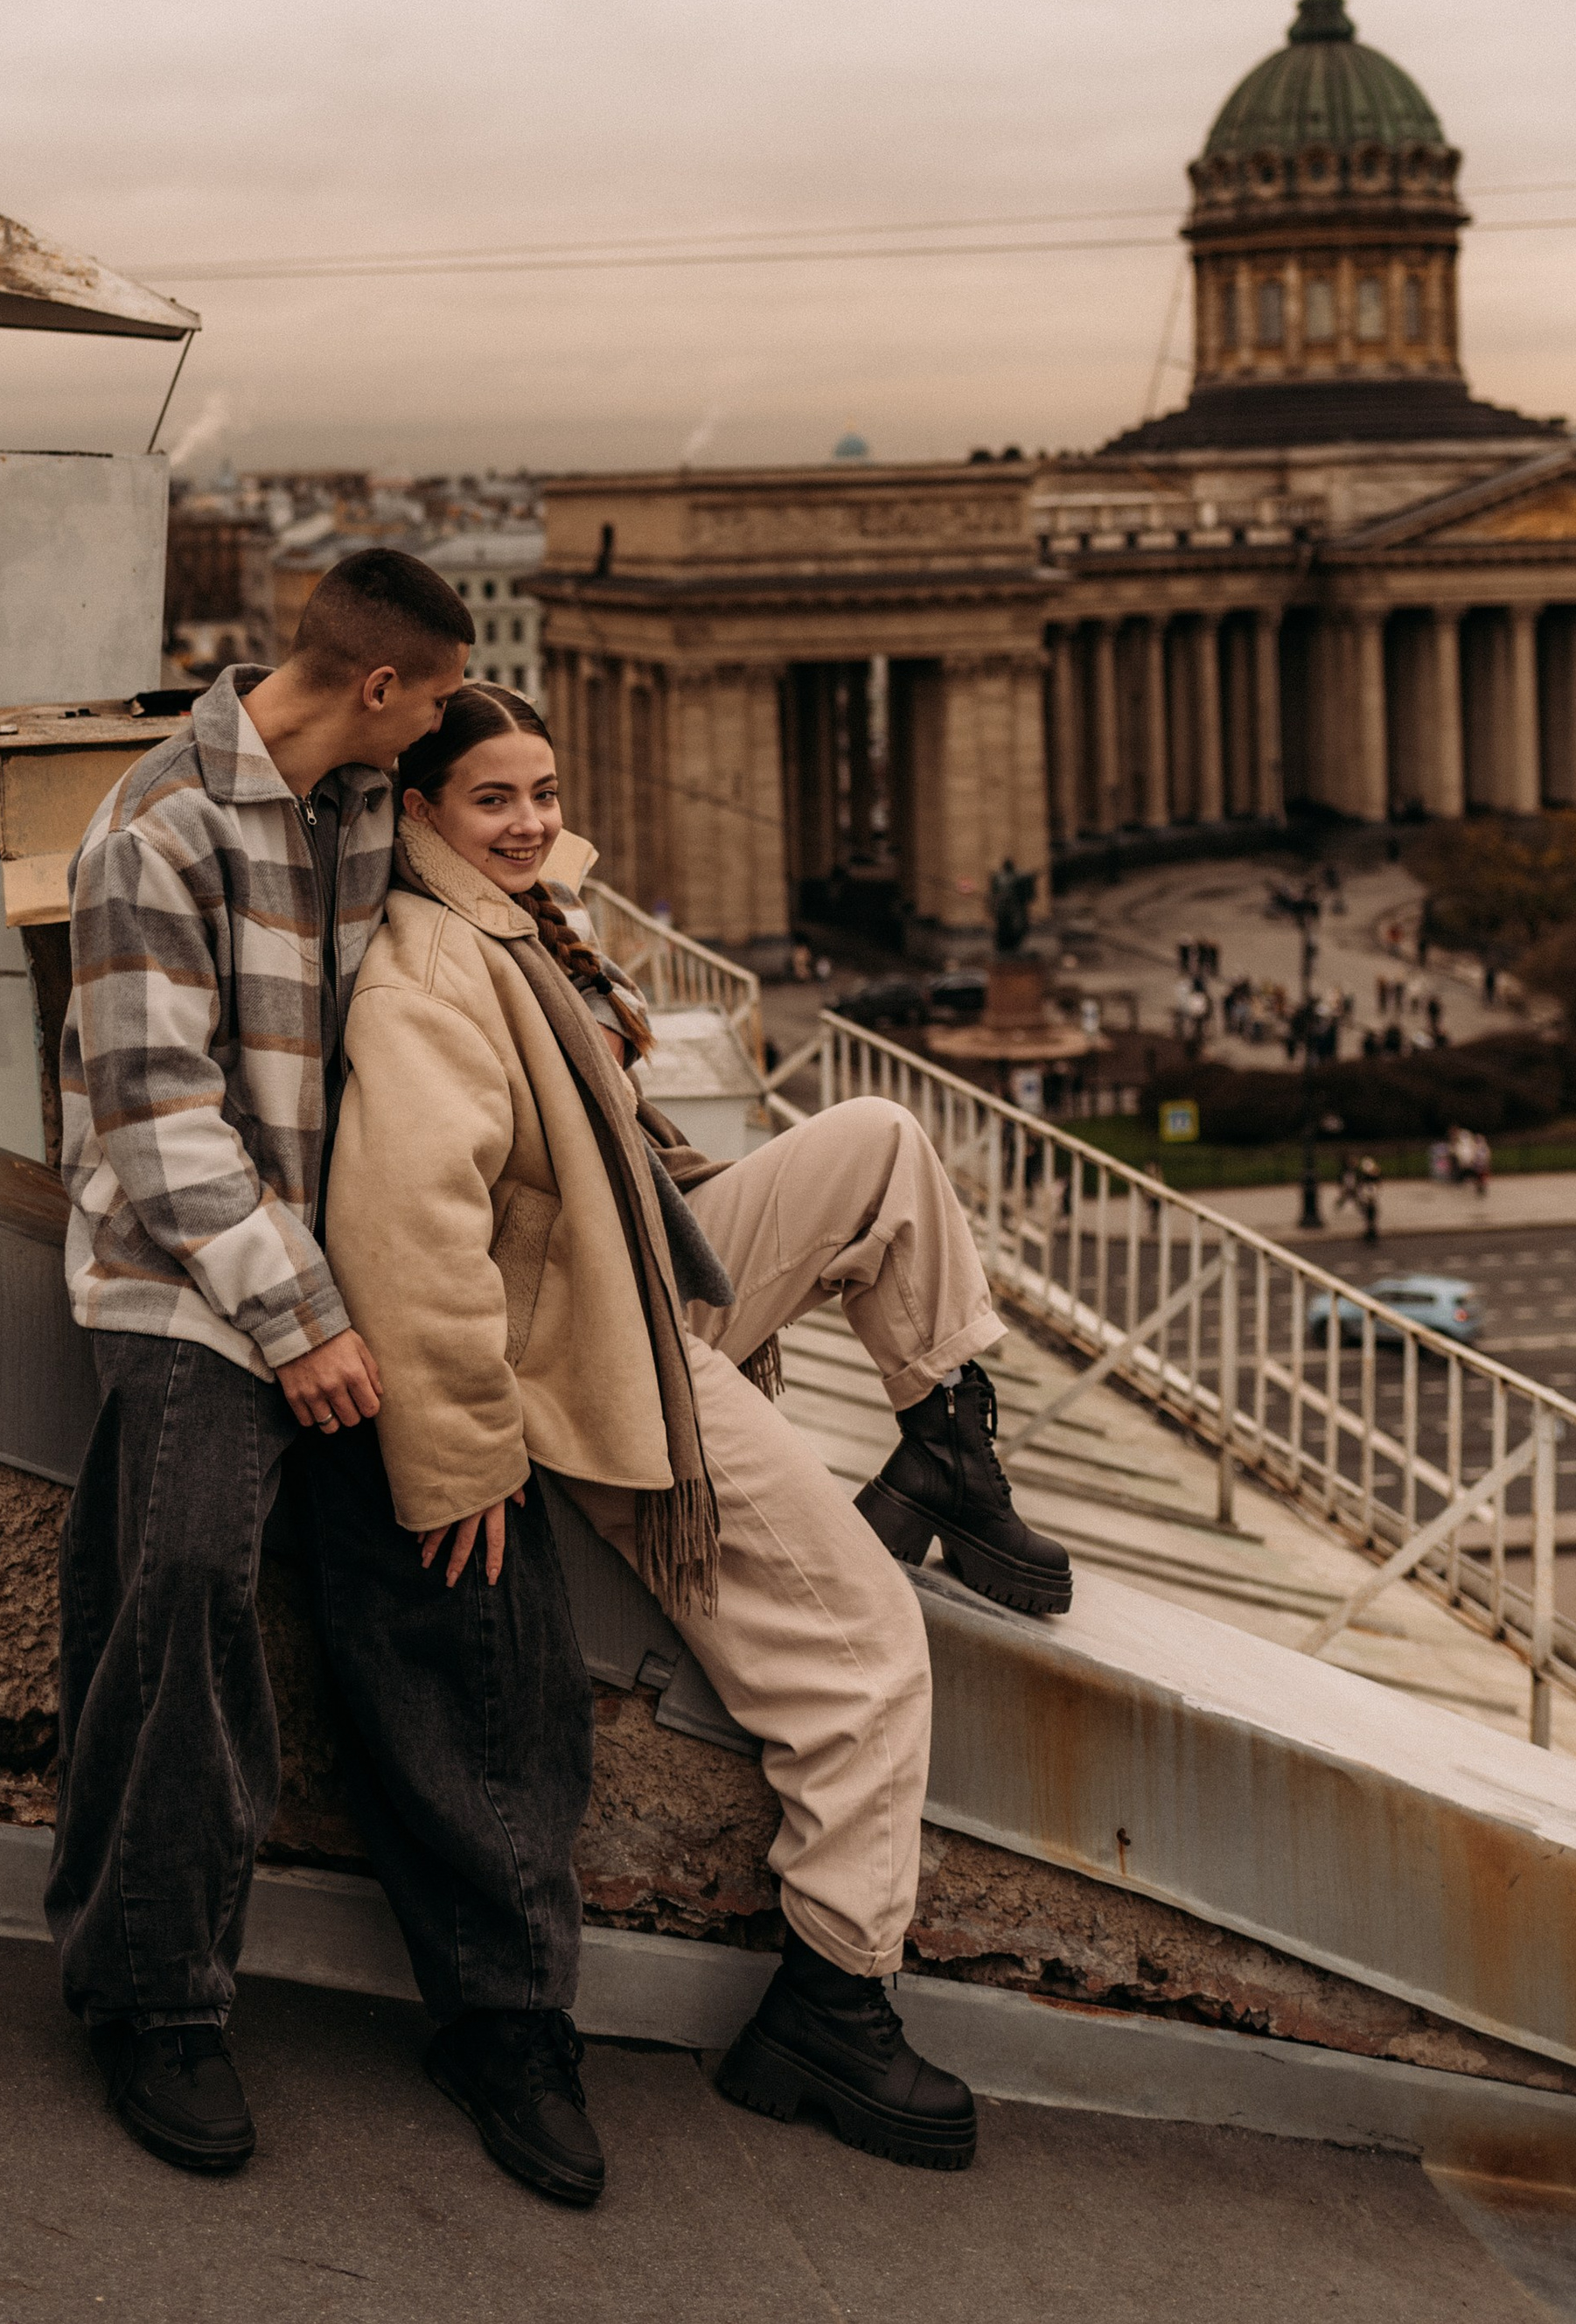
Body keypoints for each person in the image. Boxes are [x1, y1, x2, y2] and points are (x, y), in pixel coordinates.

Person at [310, 681, 1071, 2205]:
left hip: (632, 1275)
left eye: (543, 792)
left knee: (877, 1146)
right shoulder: (428, 976)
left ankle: (944, 1445)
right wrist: (461, 1468)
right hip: (592, 1357)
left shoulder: (524, 926)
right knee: (863, 1649)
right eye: (494, 801)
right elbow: (405, 1241)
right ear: (415, 813)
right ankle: (831, 2004)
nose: (532, 823)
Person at [45, 549, 475, 2176]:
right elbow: (159, 1127)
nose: (439, 726)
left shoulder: (355, 804)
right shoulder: (154, 831)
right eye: (432, 697)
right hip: (185, 1281)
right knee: (184, 1583)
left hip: (323, 1267)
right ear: (378, 690)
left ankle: (500, 2002)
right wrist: (301, 1327)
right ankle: (154, 1999)